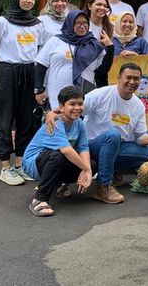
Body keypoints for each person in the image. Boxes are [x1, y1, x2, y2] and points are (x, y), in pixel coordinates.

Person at [48, 63, 148, 204]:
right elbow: (74, 108)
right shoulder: (101, 94)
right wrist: (53, 112)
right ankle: (103, 186)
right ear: (118, 77)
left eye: (136, 79)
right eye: (128, 77)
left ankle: (112, 170)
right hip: (89, 146)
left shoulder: (138, 105)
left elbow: (140, 137)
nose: (132, 82)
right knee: (113, 135)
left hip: (115, 147)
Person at [0, 0, 48, 186]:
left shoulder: (37, 24)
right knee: (5, 118)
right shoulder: (3, 22)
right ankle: (5, 167)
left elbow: (41, 50)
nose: (28, 0)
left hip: (29, 72)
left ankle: (19, 164)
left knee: (27, 119)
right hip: (7, 71)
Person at [22, 86, 94, 217]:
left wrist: (87, 169)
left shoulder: (79, 123)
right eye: (72, 104)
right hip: (33, 163)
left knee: (92, 164)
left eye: (80, 104)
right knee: (58, 155)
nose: (77, 107)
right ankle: (40, 199)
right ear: (61, 107)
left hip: (53, 160)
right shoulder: (55, 123)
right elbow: (66, 150)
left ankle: (57, 185)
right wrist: (87, 170)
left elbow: (83, 148)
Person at [35, 11, 114, 109]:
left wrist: (110, 48)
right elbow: (41, 65)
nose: (82, 26)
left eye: (85, 23)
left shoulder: (94, 45)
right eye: (78, 23)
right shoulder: (55, 41)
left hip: (84, 94)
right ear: (70, 23)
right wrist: (39, 90)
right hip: (57, 91)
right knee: (57, 120)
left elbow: (103, 70)